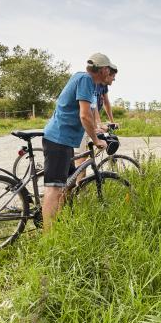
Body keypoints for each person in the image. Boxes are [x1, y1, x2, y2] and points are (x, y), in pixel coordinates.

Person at [41, 53, 117, 230]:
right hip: (58, 139)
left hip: (65, 140)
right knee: (54, 189)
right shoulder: (86, 80)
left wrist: (97, 128)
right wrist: (96, 140)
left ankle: (58, 224)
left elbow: (89, 114)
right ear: (104, 69)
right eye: (109, 70)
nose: (110, 75)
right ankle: (48, 238)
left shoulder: (85, 80)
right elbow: (84, 114)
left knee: (67, 183)